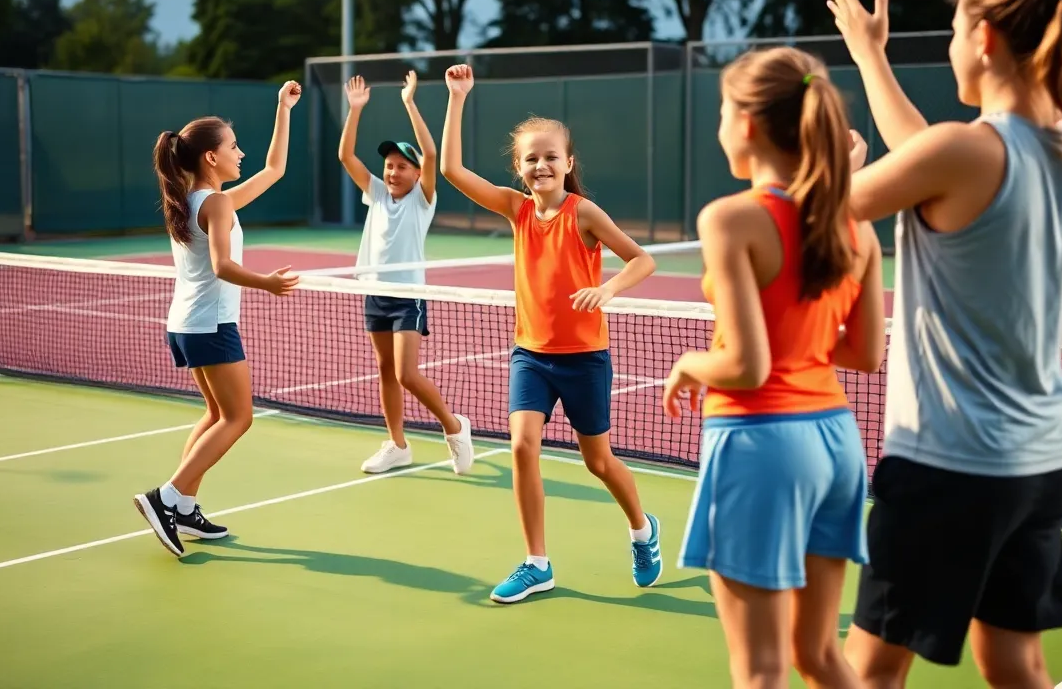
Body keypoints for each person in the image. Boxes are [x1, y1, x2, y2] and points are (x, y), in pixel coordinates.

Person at [826, 0, 1062, 687]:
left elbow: (824, 211)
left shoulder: (965, 153)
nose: (953, 43)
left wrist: (829, 162)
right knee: (1014, 661)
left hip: (948, 465)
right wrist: (870, 55)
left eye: (956, 27)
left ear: (985, 36)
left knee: (868, 673)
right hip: (1040, 461)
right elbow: (928, 158)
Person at [661, 48, 885, 689]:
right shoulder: (857, 227)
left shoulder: (730, 219)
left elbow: (747, 365)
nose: (720, 126)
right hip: (837, 445)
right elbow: (865, 354)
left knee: (760, 670)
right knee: (817, 655)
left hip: (761, 446)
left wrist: (688, 362)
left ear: (751, 123)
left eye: (723, 111)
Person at [438, 63, 663, 604]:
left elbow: (642, 259)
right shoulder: (516, 210)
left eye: (551, 156)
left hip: (584, 359)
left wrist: (606, 290)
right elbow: (449, 169)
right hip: (531, 356)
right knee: (522, 445)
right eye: (531, 158)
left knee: (598, 461)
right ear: (519, 168)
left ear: (568, 164)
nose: (542, 164)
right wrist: (457, 98)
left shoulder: (583, 213)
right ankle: (537, 563)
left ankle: (642, 530)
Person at [134, 81, 303, 558]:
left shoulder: (195, 201)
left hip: (186, 324)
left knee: (214, 414)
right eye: (232, 146)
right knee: (238, 416)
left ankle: (184, 504)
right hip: (211, 325)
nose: (240, 152)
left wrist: (283, 109)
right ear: (211, 157)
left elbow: (274, 168)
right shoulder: (216, 203)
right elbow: (225, 267)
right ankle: (166, 497)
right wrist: (267, 282)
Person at [337, 70, 475, 475]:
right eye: (389, 165)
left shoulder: (422, 199)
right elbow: (346, 156)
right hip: (374, 291)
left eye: (401, 166)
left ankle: (454, 427)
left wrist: (410, 103)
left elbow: (432, 155)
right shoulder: (376, 193)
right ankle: (397, 444)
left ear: (416, 175)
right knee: (385, 371)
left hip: (407, 295)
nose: (393, 172)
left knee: (407, 373)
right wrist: (355, 110)